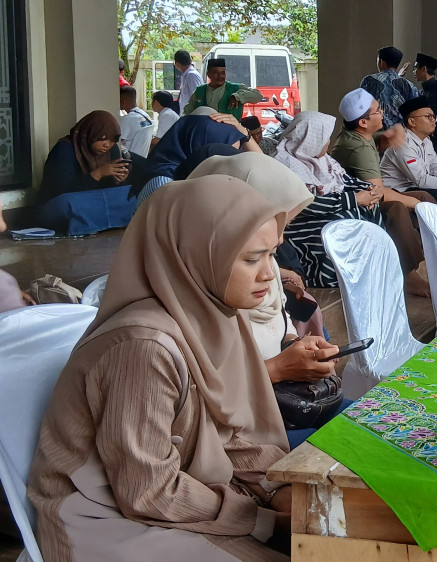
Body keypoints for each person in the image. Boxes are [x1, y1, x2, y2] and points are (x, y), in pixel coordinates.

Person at [28, 177, 296, 561]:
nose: (269, 274)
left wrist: (278, 487)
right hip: (104, 519)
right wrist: (262, 519)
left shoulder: (212, 316)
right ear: (194, 254)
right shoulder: (143, 347)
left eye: (272, 254)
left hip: (174, 495)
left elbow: (225, 433)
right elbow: (146, 489)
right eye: (251, 258)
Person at [187, 153, 345, 445]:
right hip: (239, 430)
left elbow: (280, 321)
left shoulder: (264, 270)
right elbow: (192, 404)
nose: (269, 272)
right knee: (348, 446)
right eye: (251, 257)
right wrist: (276, 369)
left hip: (286, 403)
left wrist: (296, 347)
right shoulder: (189, 308)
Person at [330, 89, 435, 296]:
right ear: (363, 122)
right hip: (355, 206)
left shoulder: (360, 134)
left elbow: (372, 142)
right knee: (397, 208)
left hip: (367, 196)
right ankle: (409, 275)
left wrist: (384, 139)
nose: (383, 113)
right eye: (378, 111)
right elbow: (378, 193)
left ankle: (431, 257)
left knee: (423, 196)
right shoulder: (358, 147)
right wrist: (415, 204)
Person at [275, 111, 386, 288]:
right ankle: (331, 276)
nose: (328, 142)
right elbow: (305, 204)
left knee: (368, 208)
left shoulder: (324, 160)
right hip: (302, 222)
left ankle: (368, 271)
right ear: (310, 139)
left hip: (328, 210)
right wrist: (355, 199)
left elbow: (346, 182)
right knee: (343, 220)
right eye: (324, 138)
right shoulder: (284, 165)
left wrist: (371, 191)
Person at [36, 111, 140, 234]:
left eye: (112, 140)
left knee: (133, 193)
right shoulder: (65, 149)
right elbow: (61, 191)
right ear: (89, 134)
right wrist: (97, 174)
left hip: (94, 202)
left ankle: (94, 222)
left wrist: (118, 180)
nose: (107, 144)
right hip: (59, 204)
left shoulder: (112, 150)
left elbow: (108, 192)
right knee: (69, 203)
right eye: (102, 138)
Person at [134, 113, 259, 203]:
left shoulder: (194, 177)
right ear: (203, 151)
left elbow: (263, 170)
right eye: (225, 157)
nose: (230, 165)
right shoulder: (164, 184)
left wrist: (245, 134)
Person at [360, 46, 419, 129]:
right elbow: (415, 112)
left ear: (381, 62)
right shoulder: (409, 85)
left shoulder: (369, 80)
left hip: (374, 132)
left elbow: (361, 107)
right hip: (400, 134)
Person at [183, 58, 264, 119]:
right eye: (216, 73)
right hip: (205, 135)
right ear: (209, 74)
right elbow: (186, 113)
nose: (220, 76)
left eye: (223, 73)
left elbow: (258, 96)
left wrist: (238, 96)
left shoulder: (235, 88)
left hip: (230, 136)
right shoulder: (200, 90)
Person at [118, 86, 154, 157]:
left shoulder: (128, 119)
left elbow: (117, 143)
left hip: (131, 162)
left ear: (123, 101)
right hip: (143, 160)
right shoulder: (146, 115)